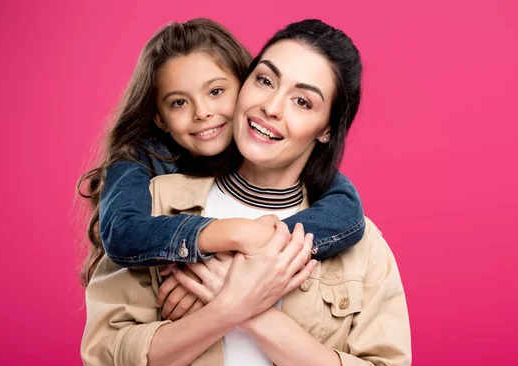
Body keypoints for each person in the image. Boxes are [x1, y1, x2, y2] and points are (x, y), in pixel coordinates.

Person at [81, 19, 411, 366]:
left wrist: (247, 304)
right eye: (266, 81)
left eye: (302, 101)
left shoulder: (362, 243)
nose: (271, 107)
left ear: (326, 129)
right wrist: (226, 310)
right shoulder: (155, 205)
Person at [77, 18, 366, 296]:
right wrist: (235, 233)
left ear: (241, 84)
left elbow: (347, 211)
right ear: (160, 118)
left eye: (216, 91)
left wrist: (239, 263)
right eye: (179, 102)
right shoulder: (143, 158)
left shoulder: (282, 157)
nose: (201, 112)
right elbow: (122, 233)